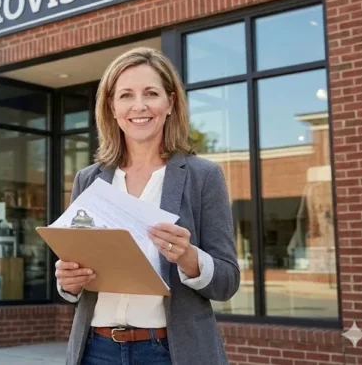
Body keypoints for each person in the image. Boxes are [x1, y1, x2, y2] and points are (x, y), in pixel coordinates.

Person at [55, 47, 240, 365]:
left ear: (170, 102)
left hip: (169, 352)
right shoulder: (89, 179)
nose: (138, 106)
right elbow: (74, 276)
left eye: (150, 93)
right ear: (112, 107)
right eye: (126, 95)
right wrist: (67, 282)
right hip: (95, 351)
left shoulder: (203, 176)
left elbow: (227, 281)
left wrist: (189, 258)